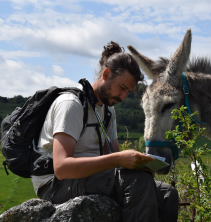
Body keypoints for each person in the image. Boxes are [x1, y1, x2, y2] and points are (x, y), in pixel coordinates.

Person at [31, 41, 179, 222]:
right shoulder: (72, 105)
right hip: (56, 184)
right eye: (122, 88)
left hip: (90, 178)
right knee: (138, 182)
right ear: (106, 74)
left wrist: (139, 164)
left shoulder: (108, 110)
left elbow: (115, 159)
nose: (123, 97)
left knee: (167, 194)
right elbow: (61, 168)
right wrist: (119, 160)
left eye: (129, 92)